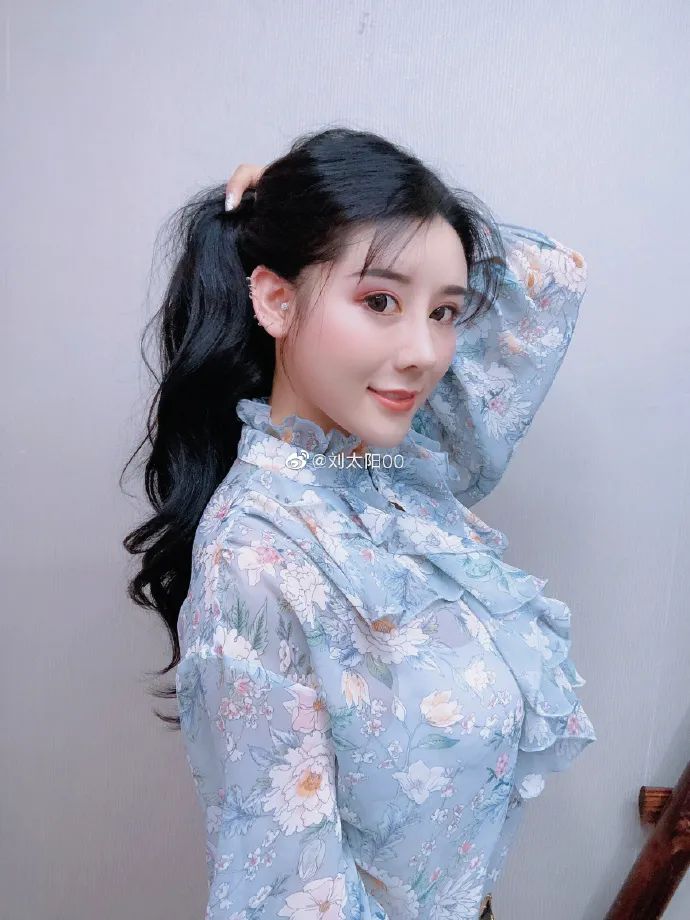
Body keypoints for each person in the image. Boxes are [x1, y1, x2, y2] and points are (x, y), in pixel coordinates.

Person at [123, 127, 596, 919]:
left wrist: (284, 207)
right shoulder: (257, 558)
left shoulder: (391, 471)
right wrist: (290, 223)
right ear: (276, 300)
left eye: (444, 312)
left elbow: (551, 281)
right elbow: (294, 896)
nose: (425, 353)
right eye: (379, 302)